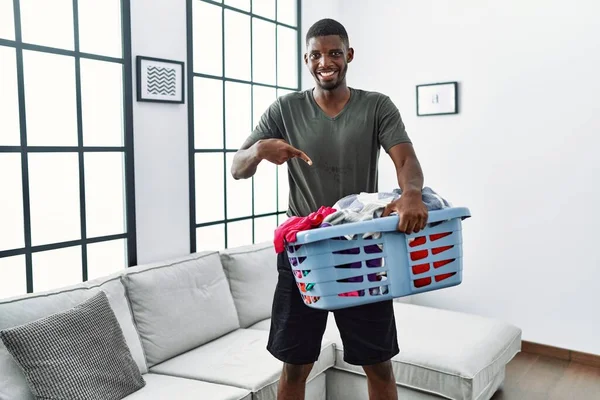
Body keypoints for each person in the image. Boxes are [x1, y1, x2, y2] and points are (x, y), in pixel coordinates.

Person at [231, 18, 428, 400]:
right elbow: (237, 168)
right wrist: (258, 151)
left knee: (379, 364)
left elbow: (405, 160)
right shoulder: (284, 110)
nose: (326, 61)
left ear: (349, 56)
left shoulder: (377, 106)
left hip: (361, 249)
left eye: (334, 53)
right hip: (304, 252)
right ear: (307, 60)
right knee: (294, 367)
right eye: (317, 55)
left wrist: (413, 194)